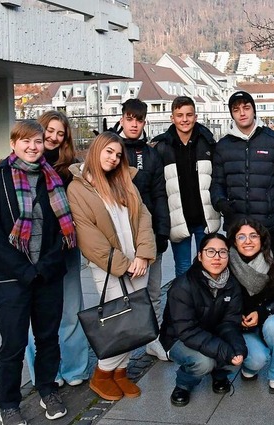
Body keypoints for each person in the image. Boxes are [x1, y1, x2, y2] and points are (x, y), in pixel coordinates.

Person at [0, 120, 77, 424]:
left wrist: (45, 266)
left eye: (37, 141)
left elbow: (62, 229)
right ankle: (9, 402)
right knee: (13, 344)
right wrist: (23, 270)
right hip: (11, 278)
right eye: (25, 141)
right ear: (13, 143)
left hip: (47, 275)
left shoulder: (53, 180)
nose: (33, 147)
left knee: (48, 338)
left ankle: (47, 389)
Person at [67, 132, 156, 401]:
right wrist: (124, 265)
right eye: (109, 152)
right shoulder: (78, 188)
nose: (114, 158)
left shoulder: (123, 181)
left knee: (135, 318)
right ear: (96, 150)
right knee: (119, 322)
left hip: (138, 262)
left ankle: (121, 373)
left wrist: (143, 254)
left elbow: (143, 216)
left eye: (118, 155)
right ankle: (102, 374)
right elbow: (88, 236)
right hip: (109, 266)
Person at [24, 111, 89, 389]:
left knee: (72, 308)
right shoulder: (23, 165)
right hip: (34, 251)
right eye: (49, 130)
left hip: (65, 248)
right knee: (36, 313)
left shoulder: (71, 168)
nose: (52, 137)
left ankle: (74, 367)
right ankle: (45, 372)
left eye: (60, 133)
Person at [111, 98, 170, 361]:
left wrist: (162, 232)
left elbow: (160, 195)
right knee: (119, 294)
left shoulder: (150, 153)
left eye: (139, 120)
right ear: (122, 119)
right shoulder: (111, 148)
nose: (135, 124)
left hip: (148, 234)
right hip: (118, 234)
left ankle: (153, 339)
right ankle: (118, 348)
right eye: (130, 119)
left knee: (153, 292)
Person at [211, 90, 274, 265]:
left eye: (246, 107)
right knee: (241, 278)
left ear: (254, 110)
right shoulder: (223, 146)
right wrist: (220, 202)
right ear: (231, 114)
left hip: (271, 225)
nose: (242, 113)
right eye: (236, 109)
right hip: (237, 226)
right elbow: (217, 182)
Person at [160, 233, 247, 407]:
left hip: (212, 333)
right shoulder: (183, 286)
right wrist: (224, 350)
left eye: (222, 252)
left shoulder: (232, 283)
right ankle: (183, 384)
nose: (217, 257)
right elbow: (186, 331)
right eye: (210, 252)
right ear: (200, 256)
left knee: (236, 351)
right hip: (178, 338)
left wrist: (237, 349)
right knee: (204, 362)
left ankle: (219, 375)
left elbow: (230, 321)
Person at [227, 219, 274, 394]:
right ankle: (251, 366)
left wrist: (263, 312)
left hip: (273, 318)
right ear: (234, 241)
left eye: (253, 236)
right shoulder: (226, 263)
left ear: (262, 239)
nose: (248, 241)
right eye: (241, 237)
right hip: (242, 326)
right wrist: (237, 318)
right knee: (257, 360)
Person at [153, 96, 221, 277]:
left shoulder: (208, 143)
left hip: (204, 217)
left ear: (196, 117)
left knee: (208, 267)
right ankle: (185, 304)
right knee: (183, 268)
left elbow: (217, 178)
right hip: (178, 219)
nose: (184, 119)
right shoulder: (162, 147)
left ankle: (207, 304)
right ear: (172, 118)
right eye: (179, 115)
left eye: (189, 115)